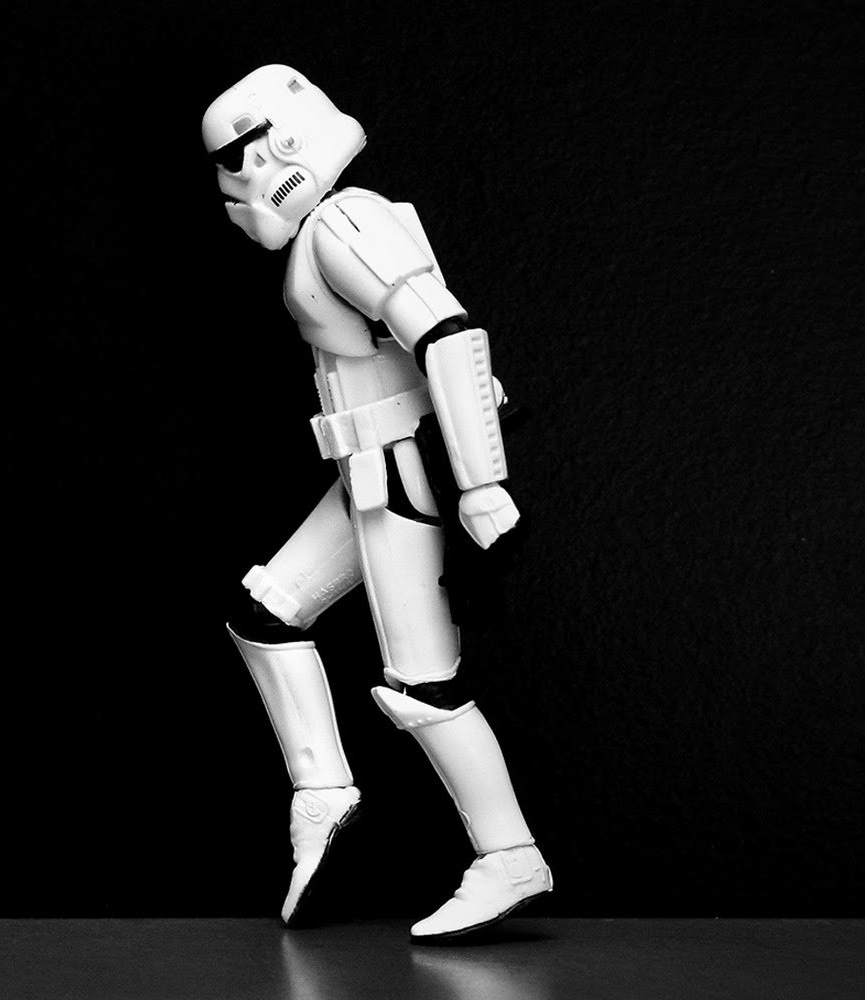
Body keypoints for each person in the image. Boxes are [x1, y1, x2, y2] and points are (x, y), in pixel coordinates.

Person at [203, 64, 553, 940]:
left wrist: (483, 483)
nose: (232, 190)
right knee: (264, 614)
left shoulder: (344, 222)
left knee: (423, 684)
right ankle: (323, 793)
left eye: (235, 164)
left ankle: (509, 857)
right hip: (366, 471)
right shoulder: (327, 228)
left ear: (280, 145)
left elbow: (449, 333)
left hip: (401, 473)